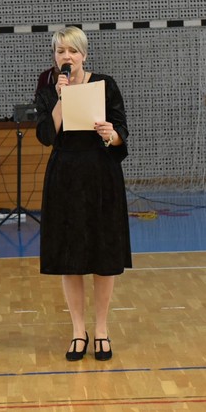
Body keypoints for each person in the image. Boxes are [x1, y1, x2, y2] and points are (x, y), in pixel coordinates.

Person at [34, 26, 132, 361]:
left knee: (104, 256)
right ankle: (78, 330)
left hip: (101, 175)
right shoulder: (47, 89)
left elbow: (122, 131)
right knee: (70, 256)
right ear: (55, 57)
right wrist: (61, 100)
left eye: (72, 51)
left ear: (84, 55)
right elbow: (45, 135)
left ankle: (101, 329)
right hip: (65, 176)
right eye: (61, 51)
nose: (67, 57)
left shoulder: (105, 84)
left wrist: (111, 134)